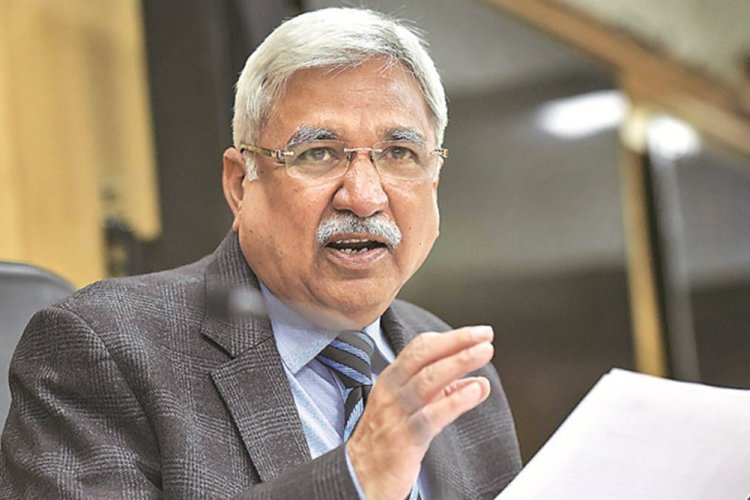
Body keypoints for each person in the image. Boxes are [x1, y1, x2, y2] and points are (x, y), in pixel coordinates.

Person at [0, 7, 521, 499]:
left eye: (400, 154)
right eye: (318, 153)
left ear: (434, 181)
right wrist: (353, 478)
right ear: (239, 185)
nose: (364, 197)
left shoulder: (459, 374)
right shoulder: (105, 346)